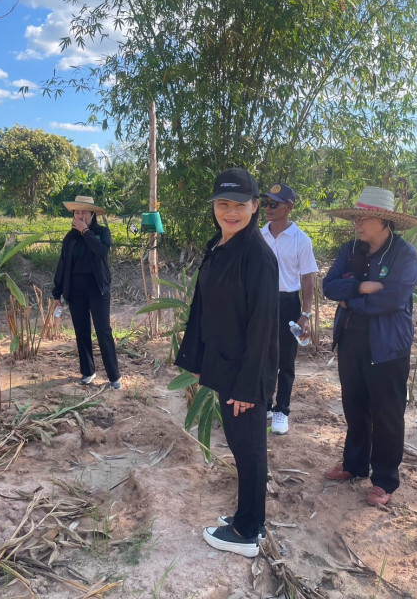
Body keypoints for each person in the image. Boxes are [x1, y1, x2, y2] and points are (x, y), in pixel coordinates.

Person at [175, 168, 279, 558]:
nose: (230, 212)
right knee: (241, 445)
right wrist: (198, 358)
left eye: (239, 205)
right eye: (223, 204)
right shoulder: (218, 245)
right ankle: (248, 518)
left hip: (246, 372)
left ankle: (248, 531)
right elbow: (203, 307)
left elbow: (262, 326)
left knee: (249, 449)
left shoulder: (258, 257)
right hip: (225, 363)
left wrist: (248, 386)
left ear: (255, 207)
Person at [322, 186, 417, 506]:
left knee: (387, 412)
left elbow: (393, 299)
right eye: (356, 217)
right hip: (351, 339)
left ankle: (384, 480)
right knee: (355, 405)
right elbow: (329, 286)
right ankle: (354, 464)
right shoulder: (350, 249)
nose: (358, 223)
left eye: (364, 218)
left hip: (388, 345)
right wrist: (361, 287)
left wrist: (351, 300)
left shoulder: (403, 254)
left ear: (384, 221)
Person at [260, 183, 318, 435]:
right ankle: (264, 405)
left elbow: (307, 278)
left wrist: (305, 314)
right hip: (262, 303)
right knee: (262, 355)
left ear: (289, 207)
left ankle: (281, 410)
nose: (268, 208)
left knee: (285, 359)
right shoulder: (258, 236)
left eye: (274, 204)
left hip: (287, 303)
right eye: (266, 203)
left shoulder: (300, 240)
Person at [52, 195, 121, 389]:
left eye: (84, 212)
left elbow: (101, 252)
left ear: (92, 214)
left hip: (98, 288)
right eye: (76, 212)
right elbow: (62, 265)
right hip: (76, 289)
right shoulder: (70, 238)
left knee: (103, 330)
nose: (80, 216)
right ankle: (88, 371)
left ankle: (114, 376)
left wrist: (85, 232)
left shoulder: (101, 233)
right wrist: (58, 293)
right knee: (81, 330)